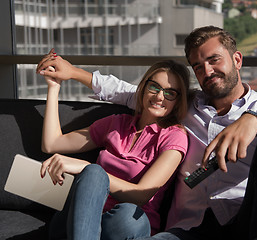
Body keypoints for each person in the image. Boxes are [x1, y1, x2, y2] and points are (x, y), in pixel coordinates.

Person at [37, 26, 257, 240]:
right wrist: (73, 72)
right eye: (198, 66)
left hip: (244, 219)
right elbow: (129, 92)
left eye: (214, 60)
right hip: (188, 228)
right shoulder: (184, 105)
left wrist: (255, 121)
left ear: (236, 59)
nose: (207, 71)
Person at [39, 60, 190, 240]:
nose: (159, 97)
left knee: (128, 214)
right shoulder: (117, 123)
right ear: (143, 87)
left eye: (170, 93)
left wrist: (87, 169)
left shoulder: (174, 136)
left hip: (122, 227)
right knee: (93, 175)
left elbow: (142, 194)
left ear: (178, 101)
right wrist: (54, 87)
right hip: (79, 221)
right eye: (154, 87)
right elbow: (52, 144)